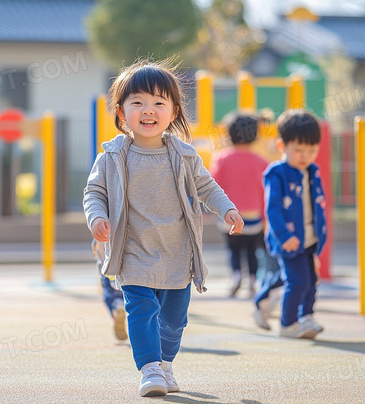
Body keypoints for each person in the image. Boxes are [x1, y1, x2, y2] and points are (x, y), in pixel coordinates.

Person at [83, 59, 243, 397]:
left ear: (173, 111)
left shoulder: (184, 155)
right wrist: (97, 217)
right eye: (137, 102)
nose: (148, 110)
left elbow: (206, 187)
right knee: (141, 310)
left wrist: (226, 209)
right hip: (132, 252)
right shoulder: (111, 156)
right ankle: (149, 368)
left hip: (176, 254)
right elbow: (94, 192)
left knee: (174, 321)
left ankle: (165, 363)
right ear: (122, 111)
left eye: (159, 102)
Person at [261, 109, 327, 339]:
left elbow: (317, 204)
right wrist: (284, 235)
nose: (305, 155)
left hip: (309, 237)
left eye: (312, 150)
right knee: (297, 282)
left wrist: (320, 235)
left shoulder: (312, 171)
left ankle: (306, 316)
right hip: (288, 237)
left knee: (310, 281)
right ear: (282, 146)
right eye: (298, 150)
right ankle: (288, 324)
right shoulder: (277, 173)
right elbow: (273, 209)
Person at [210, 113, 270, 298]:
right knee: (252, 249)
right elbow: (265, 192)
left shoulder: (222, 158)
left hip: (229, 214)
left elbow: (213, 184)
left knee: (233, 249)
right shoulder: (261, 162)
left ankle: (236, 274)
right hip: (253, 216)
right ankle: (252, 278)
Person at [92, 239, 127, 341]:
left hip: (107, 270)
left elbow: (99, 244)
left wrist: (104, 264)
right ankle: (120, 309)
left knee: (108, 296)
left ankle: (116, 311)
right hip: (124, 268)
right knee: (128, 294)